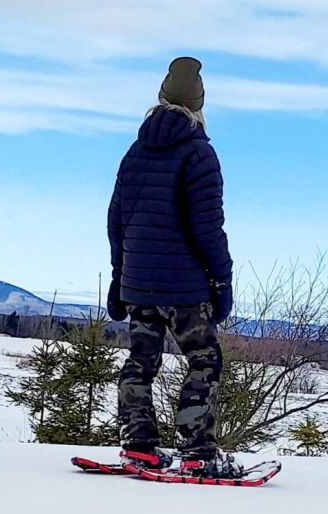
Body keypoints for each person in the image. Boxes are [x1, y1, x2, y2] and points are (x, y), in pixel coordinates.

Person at [106, 56, 239, 478]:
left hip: (139, 283)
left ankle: (138, 444)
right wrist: (222, 280)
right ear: (199, 106)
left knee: (140, 360)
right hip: (185, 288)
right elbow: (207, 227)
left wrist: (118, 275)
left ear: (160, 99)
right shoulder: (200, 154)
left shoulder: (136, 151)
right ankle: (197, 450)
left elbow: (116, 219)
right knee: (203, 359)